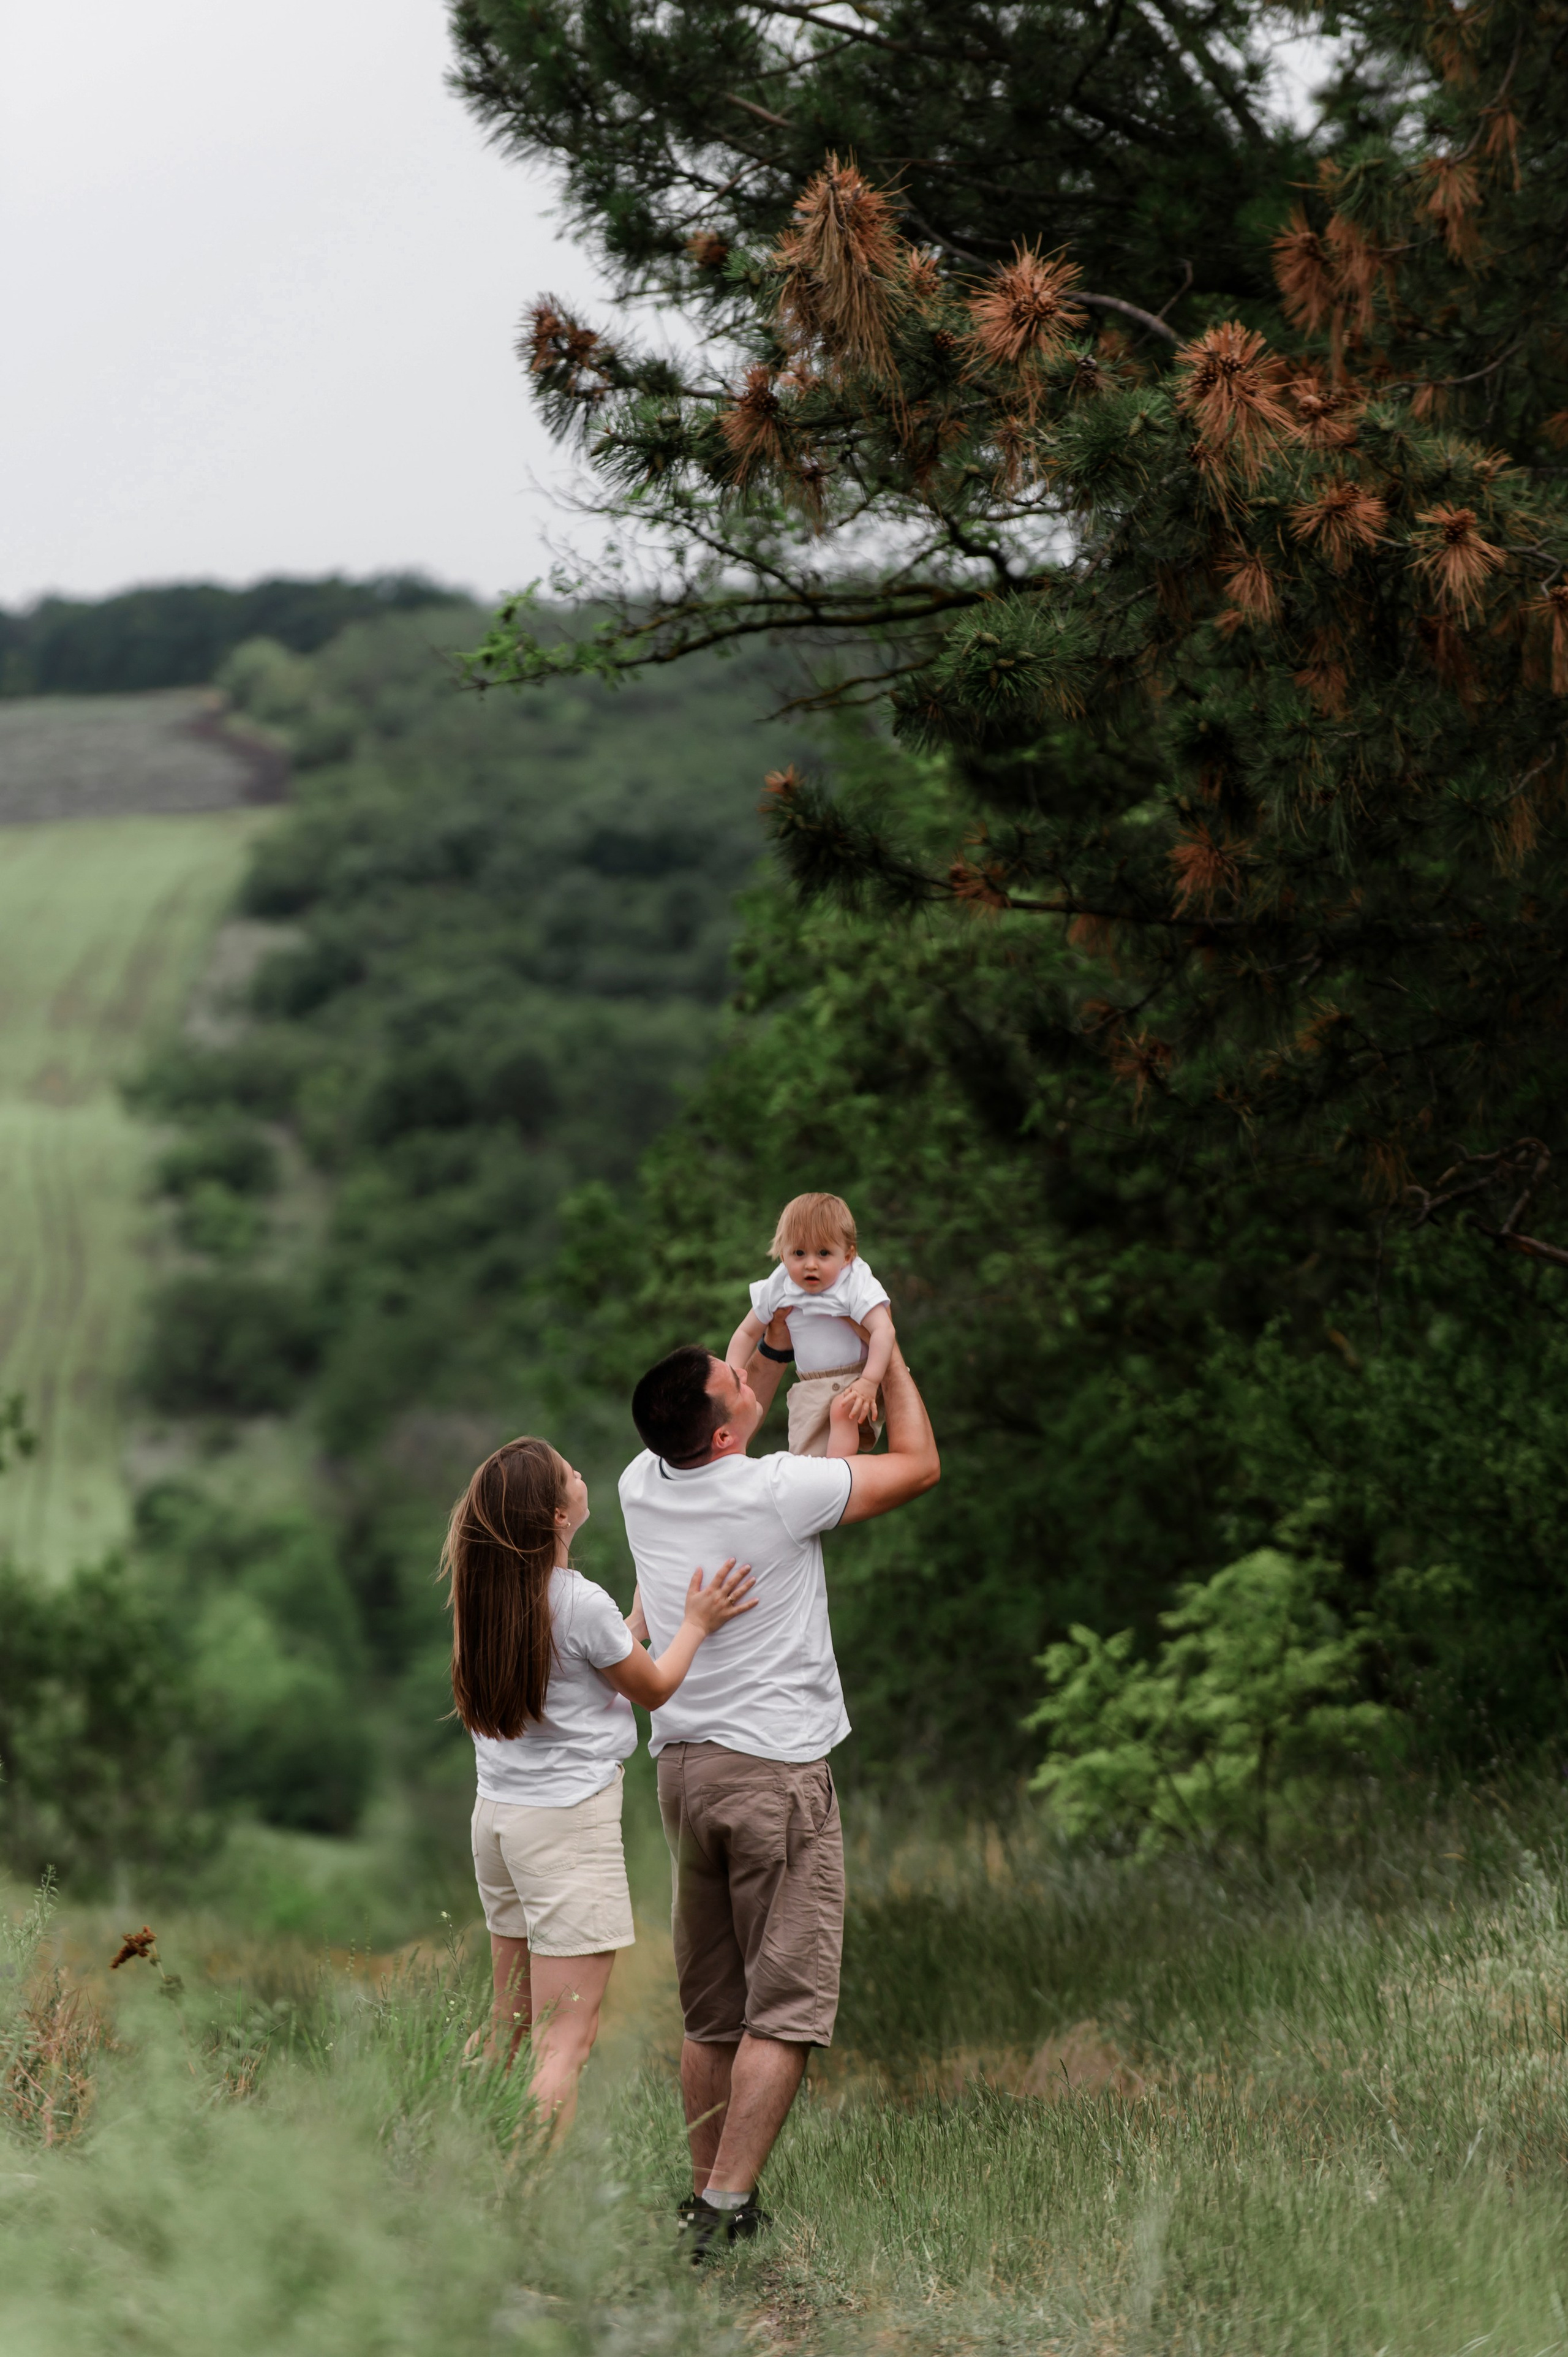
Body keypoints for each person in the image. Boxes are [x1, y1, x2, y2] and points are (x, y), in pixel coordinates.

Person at [619, 1327, 938, 2255]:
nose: (744, 1374)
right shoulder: (780, 1492)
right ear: (722, 1433)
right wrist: (886, 1353)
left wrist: (770, 1331)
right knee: (786, 2005)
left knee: (711, 2008)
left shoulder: (645, 1484)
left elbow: (739, 1381)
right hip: (773, 1775)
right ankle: (725, 2208)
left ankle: (704, 2194)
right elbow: (917, 1467)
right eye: (734, 1380)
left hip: (684, 1773)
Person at [443, 1435, 755, 2138]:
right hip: (565, 1830)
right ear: (557, 1514)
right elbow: (653, 1687)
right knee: (565, 2042)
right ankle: (528, 2204)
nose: (581, 1475)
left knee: (508, 2030)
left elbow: (589, 1664)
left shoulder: (486, 1594)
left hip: (498, 1819)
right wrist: (698, 1622)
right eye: (569, 1473)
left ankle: (450, 2157)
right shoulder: (578, 1601)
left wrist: (635, 1623)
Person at [723, 1191, 896, 1458]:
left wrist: (871, 1381)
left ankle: (842, 1477)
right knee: (805, 1458)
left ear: (847, 1256)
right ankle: (826, 1489)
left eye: (824, 1253)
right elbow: (747, 1331)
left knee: (843, 1412)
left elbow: (884, 1330)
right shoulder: (780, 1284)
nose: (810, 1265)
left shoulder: (854, 1281)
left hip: (857, 1379)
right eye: (799, 1253)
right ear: (783, 1255)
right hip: (810, 1387)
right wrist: (733, 1373)